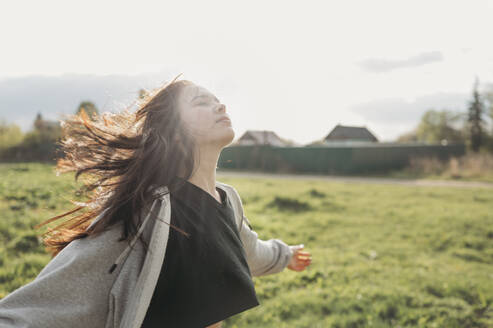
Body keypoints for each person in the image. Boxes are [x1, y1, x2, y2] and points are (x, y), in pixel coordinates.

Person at [0, 75, 312, 328]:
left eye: (217, 100)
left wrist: (286, 255)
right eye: (202, 102)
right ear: (175, 133)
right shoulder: (145, 213)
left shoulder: (227, 201)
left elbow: (249, 251)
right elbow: (38, 306)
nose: (220, 106)